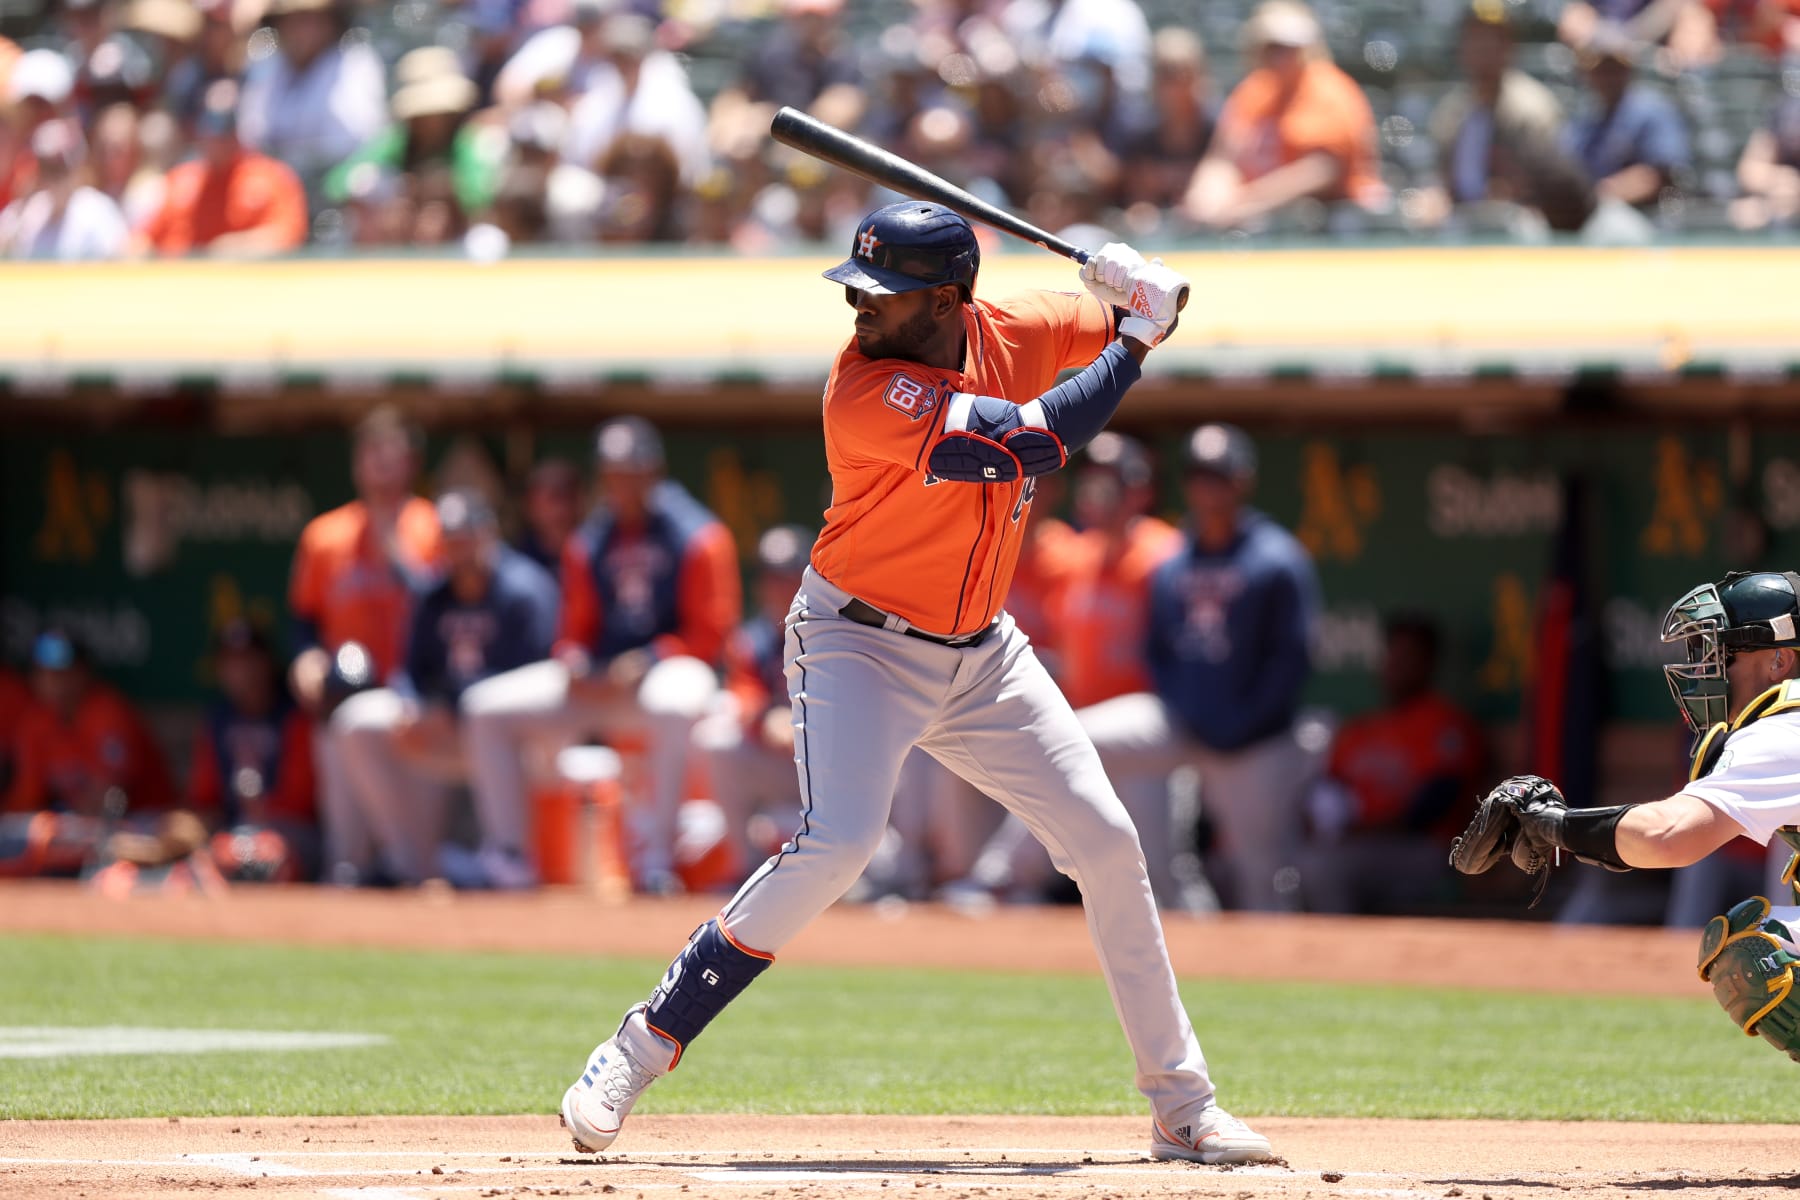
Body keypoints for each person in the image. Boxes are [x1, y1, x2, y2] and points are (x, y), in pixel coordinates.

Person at [556, 204, 1274, 1166]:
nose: (860, 306)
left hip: (984, 654)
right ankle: (639, 1046)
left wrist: (1134, 292)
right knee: (838, 845)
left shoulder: (1016, 326)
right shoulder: (863, 388)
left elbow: (1122, 318)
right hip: (859, 645)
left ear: (947, 300)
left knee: (1106, 842)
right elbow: (1028, 443)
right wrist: (1139, 340)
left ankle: (1182, 1106)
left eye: (884, 295)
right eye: (858, 288)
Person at [1450, 570, 1800, 1061]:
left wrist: (1550, 822)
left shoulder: (1785, 730)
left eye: (1725, 655)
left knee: (1756, 954)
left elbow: (1668, 836)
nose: (1710, 669)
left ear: (1780, 659)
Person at [462, 416, 738, 894]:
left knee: (670, 702)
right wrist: (573, 660)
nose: (619, 483)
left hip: (671, 676)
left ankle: (657, 860)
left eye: (630, 471)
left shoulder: (699, 535)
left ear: (653, 472)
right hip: (606, 682)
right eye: (611, 472)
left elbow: (711, 634)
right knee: (485, 708)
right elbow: (574, 630)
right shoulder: (591, 540)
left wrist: (650, 659)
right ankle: (508, 858)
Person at [1080, 424, 1320, 911]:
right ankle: (1011, 873)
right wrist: (1185, 710)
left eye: (1218, 474)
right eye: (1196, 474)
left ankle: (1284, 971)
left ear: (1242, 481)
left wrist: (1240, 726)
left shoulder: (1276, 559)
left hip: (1255, 741)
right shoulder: (1174, 564)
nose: (1206, 487)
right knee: (1075, 738)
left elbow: (1293, 658)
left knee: (1263, 877)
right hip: (1183, 724)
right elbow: (1159, 651)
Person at [329, 489, 559, 888]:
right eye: (450, 540)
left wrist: (447, 706)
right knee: (357, 721)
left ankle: (511, 861)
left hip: (517, 743)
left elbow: (533, 677)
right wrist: (412, 707)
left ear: (488, 535)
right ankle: (409, 861)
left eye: (466, 538)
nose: (458, 549)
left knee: (485, 708)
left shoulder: (524, 588)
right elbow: (409, 670)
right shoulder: (433, 594)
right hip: (448, 730)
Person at [287, 405, 443, 885]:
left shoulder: (433, 527)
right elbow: (304, 622)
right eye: (369, 454)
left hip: (412, 698)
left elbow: (446, 608)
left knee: (419, 847)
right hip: (343, 697)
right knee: (346, 855)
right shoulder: (325, 535)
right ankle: (349, 908)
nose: (378, 465)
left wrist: (399, 554)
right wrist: (306, 661)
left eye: (388, 455)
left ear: (411, 463)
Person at [1300, 615, 1484, 914]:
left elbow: (1429, 810)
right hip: (1357, 845)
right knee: (1284, 866)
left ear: (1428, 663)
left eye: (1408, 656)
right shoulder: (1360, 730)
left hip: (1422, 849)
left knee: (1325, 869)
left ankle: (1336, 957)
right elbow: (1323, 794)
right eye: (1392, 655)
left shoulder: (1444, 725)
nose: (1396, 665)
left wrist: (1359, 831)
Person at [1181, 0, 1383, 232]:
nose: (1279, 55)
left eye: (1288, 46)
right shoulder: (1253, 91)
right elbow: (1224, 157)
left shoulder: (1330, 90)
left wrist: (1244, 201)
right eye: (1271, 46)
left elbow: (1322, 170)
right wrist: (1204, 199)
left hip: (1331, 226)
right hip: (1259, 223)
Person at [187, 619, 320, 881]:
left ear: (268, 663)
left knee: (268, 858)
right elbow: (204, 798)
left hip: (294, 834)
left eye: (250, 661)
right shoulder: (218, 722)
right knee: (205, 860)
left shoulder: (295, 716)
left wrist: (252, 830)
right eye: (232, 663)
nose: (242, 672)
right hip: (235, 835)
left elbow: (301, 804)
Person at [4, 629, 175, 819]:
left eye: (62, 673)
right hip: (82, 829)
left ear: (83, 672)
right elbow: (27, 799)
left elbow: (115, 796)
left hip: (147, 820)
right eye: (44, 672)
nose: (52, 682)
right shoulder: (37, 722)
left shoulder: (108, 714)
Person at [235, 0, 386, 207]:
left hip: (338, 184)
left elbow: (358, 138)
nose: (300, 30)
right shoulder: (267, 67)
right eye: (291, 21)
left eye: (309, 20)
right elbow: (251, 136)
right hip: (279, 187)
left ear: (330, 23)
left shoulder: (355, 62)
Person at [134, 79, 308, 257]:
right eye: (208, 119)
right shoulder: (180, 181)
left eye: (226, 120)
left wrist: (237, 247)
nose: (216, 134)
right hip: (179, 279)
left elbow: (291, 234)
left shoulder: (273, 177)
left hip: (245, 279)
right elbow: (142, 239)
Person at [1562, 25, 1690, 213]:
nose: (1608, 76)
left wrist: (1596, 197)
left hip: (1647, 218)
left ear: (1629, 69)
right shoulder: (1584, 121)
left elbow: (1661, 176)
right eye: (1600, 69)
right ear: (1587, 74)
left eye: (1615, 68)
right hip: (1593, 217)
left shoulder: (1652, 111)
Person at [0, 118, 128, 260]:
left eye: (60, 168)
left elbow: (120, 265)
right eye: (48, 169)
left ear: (77, 167)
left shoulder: (97, 211)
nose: (54, 178)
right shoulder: (28, 212)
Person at [513, 458, 585, 575]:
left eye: (568, 496)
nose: (560, 509)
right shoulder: (517, 562)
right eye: (553, 498)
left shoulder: (597, 551)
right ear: (530, 506)